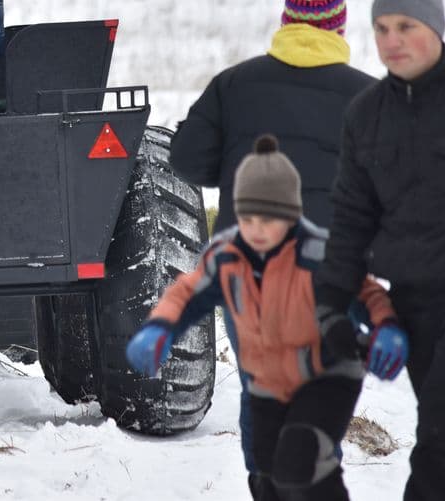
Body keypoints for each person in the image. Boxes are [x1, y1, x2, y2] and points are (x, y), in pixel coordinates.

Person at [168, 0, 376, 473]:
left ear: (286, 23)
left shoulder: (235, 84)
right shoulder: (370, 98)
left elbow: (186, 159)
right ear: (339, 28)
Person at [128, 135, 407, 501]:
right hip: (268, 383)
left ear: (290, 215)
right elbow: (186, 293)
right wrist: (161, 326)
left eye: (268, 218)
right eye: (248, 217)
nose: (256, 228)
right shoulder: (228, 259)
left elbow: (366, 292)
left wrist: (386, 327)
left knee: (300, 459)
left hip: (326, 374)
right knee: (265, 475)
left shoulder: (317, 254)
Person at [314, 0, 445, 500]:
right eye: (381, 28)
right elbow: (351, 220)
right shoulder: (366, 115)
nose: (392, 39)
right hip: (414, 302)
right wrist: (329, 310)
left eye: (406, 26)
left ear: (435, 26)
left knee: (440, 440)